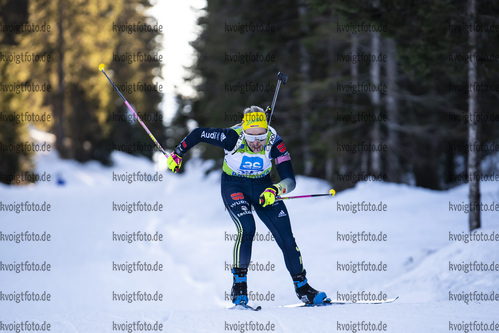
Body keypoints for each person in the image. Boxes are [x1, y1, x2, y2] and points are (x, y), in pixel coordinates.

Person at [167, 105, 328, 306]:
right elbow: (198, 134)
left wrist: (276, 190)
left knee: (286, 236)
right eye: (251, 138)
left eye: (261, 137)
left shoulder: (275, 142)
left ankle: (303, 288)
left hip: (263, 187)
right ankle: (239, 287)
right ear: (244, 132)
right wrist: (178, 153)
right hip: (234, 185)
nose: (256, 143)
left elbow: (290, 180)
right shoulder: (231, 137)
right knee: (247, 227)